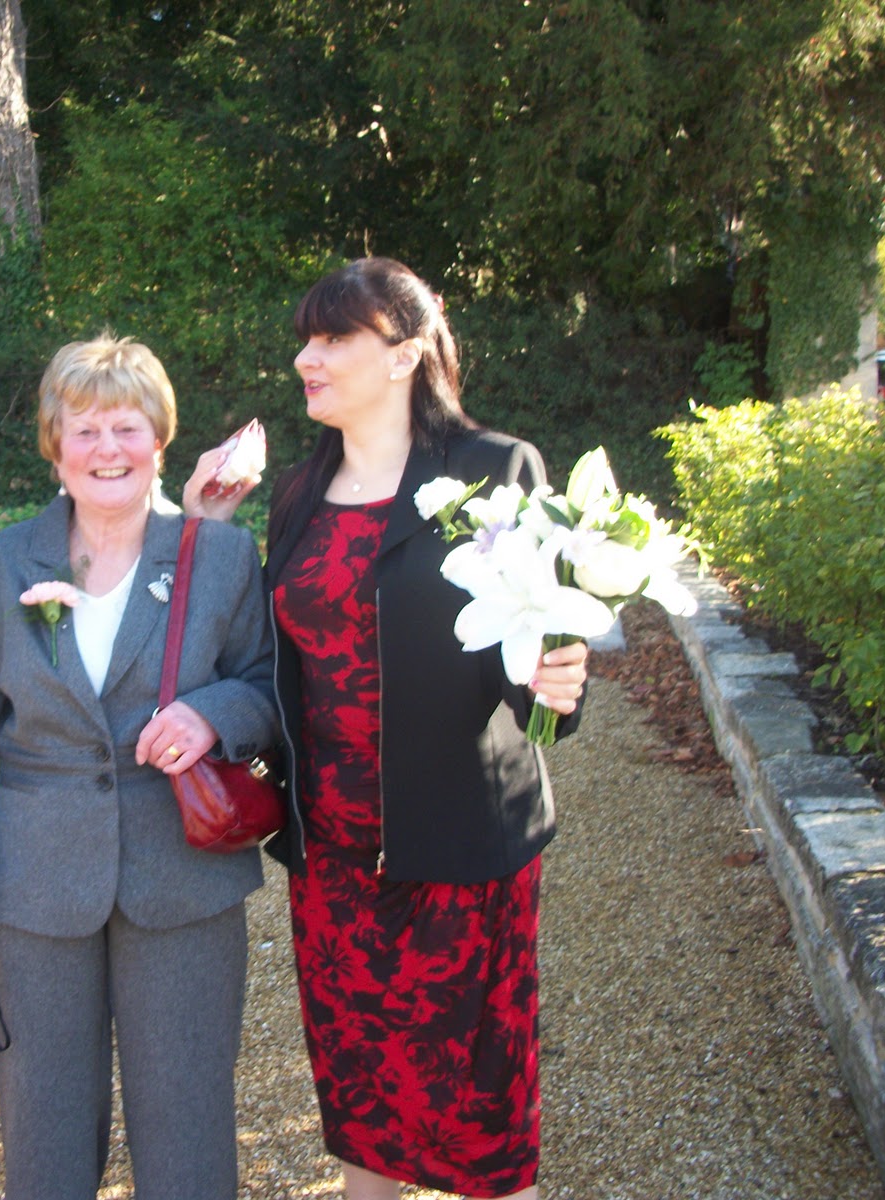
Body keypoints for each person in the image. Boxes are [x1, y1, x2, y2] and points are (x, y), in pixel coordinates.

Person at [185, 257, 589, 1200]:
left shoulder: (494, 470)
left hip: (461, 844)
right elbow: (264, 656)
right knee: (362, 1101)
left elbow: (537, 647)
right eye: (306, 340)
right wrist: (206, 527)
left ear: (405, 354)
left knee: (482, 1112)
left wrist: (559, 678)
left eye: (334, 339)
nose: (307, 359)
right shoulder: (296, 494)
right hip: (334, 855)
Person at [0, 333, 278, 1200]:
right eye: (84, 430)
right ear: (55, 446)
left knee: (188, 1116)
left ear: (160, 440)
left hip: (184, 872)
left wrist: (211, 715)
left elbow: (268, 687)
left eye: (127, 427)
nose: (107, 449)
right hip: (35, 879)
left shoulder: (219, 557)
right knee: (42, 1119)